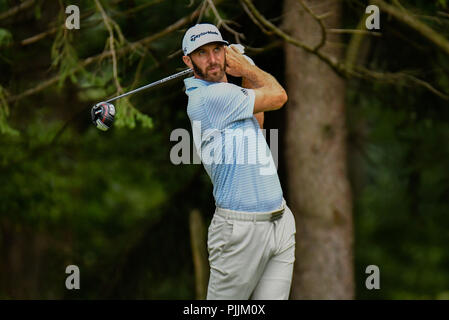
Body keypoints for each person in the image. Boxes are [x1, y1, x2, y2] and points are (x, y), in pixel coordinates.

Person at [181, 23, 296, 300]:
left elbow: (257, 123)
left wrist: (246, 74)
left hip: (280, 222)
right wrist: (246, 68)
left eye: (217, 50)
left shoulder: (230, 97)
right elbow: (279, 96)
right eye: (202, 53)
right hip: (239, 232)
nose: (212, 60)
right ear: (187, 60)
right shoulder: (210, 98)